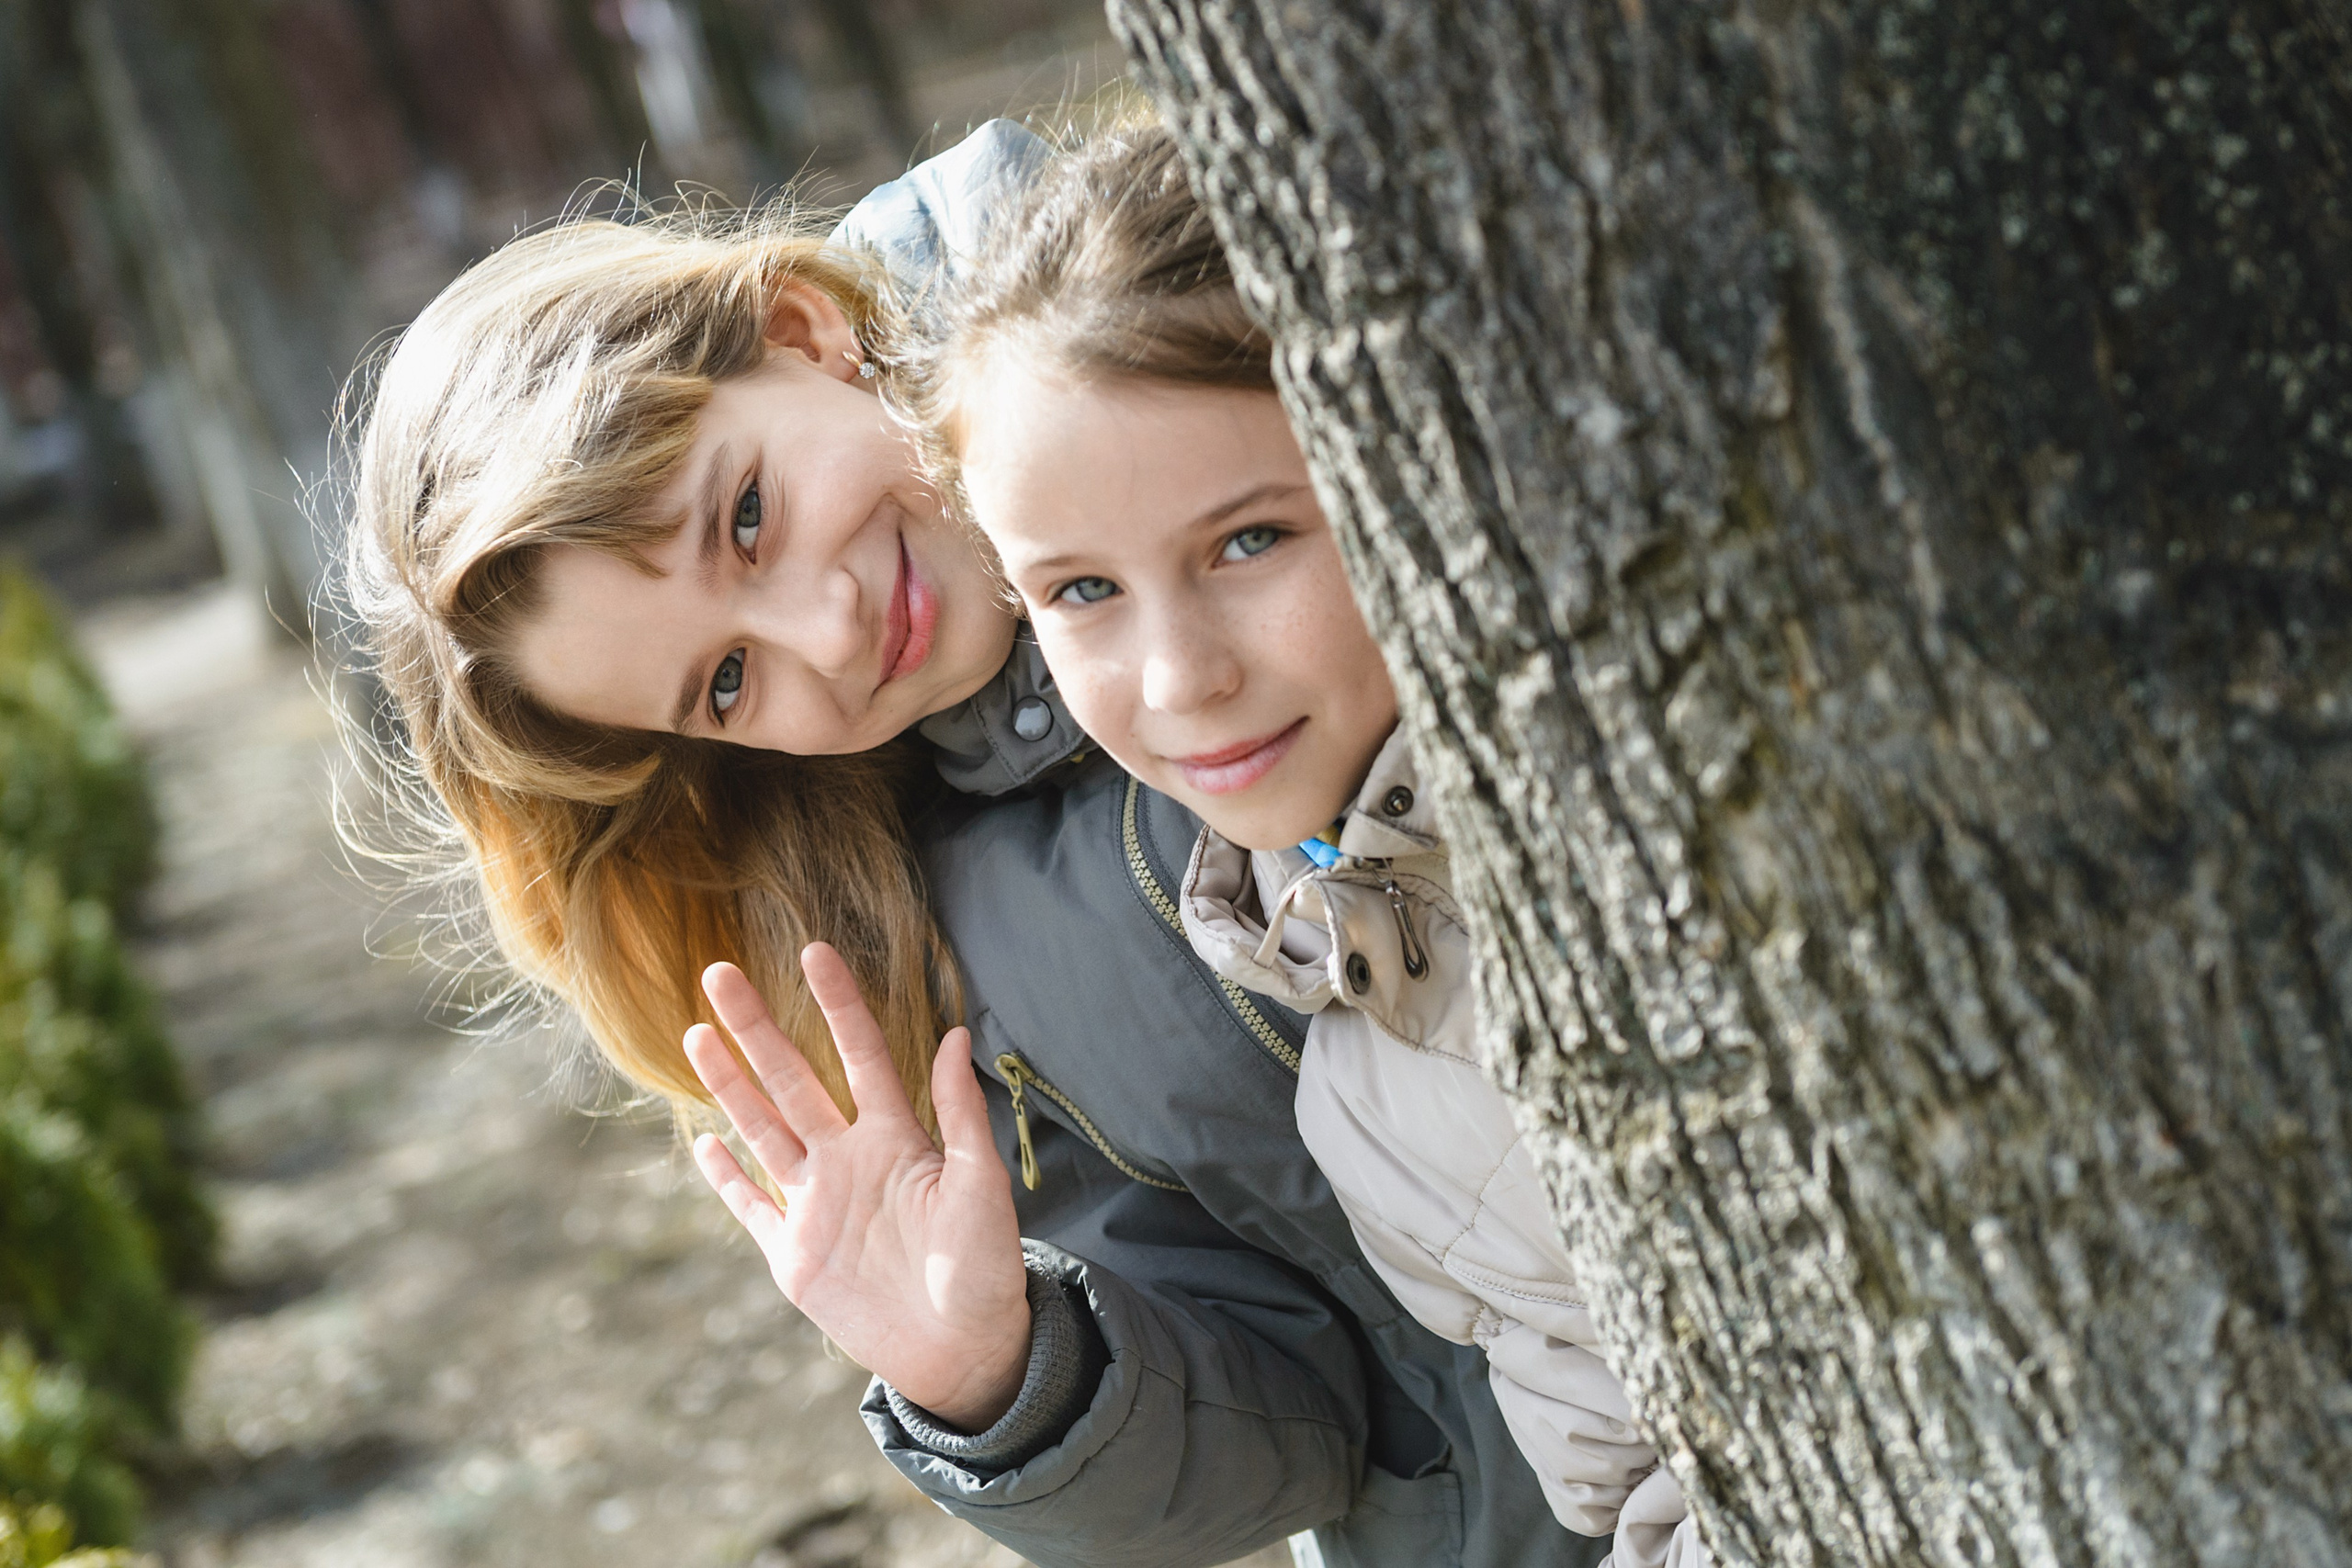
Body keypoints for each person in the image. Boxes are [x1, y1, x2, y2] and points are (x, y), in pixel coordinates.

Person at [340, 115, 1600, 1568]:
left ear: (805, 334)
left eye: (745, 519)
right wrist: (1004, 1381)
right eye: (728, 685)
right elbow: (1315, 1415)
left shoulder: (1172, 310)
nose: (829, 632)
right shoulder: (926, 940)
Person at [859, 120, 1710, 1568]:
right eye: (1078, 592)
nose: (1180, 677)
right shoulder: (1361, 1088)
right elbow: (1647, 1503)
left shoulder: (1668, 812)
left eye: (1250, 540)